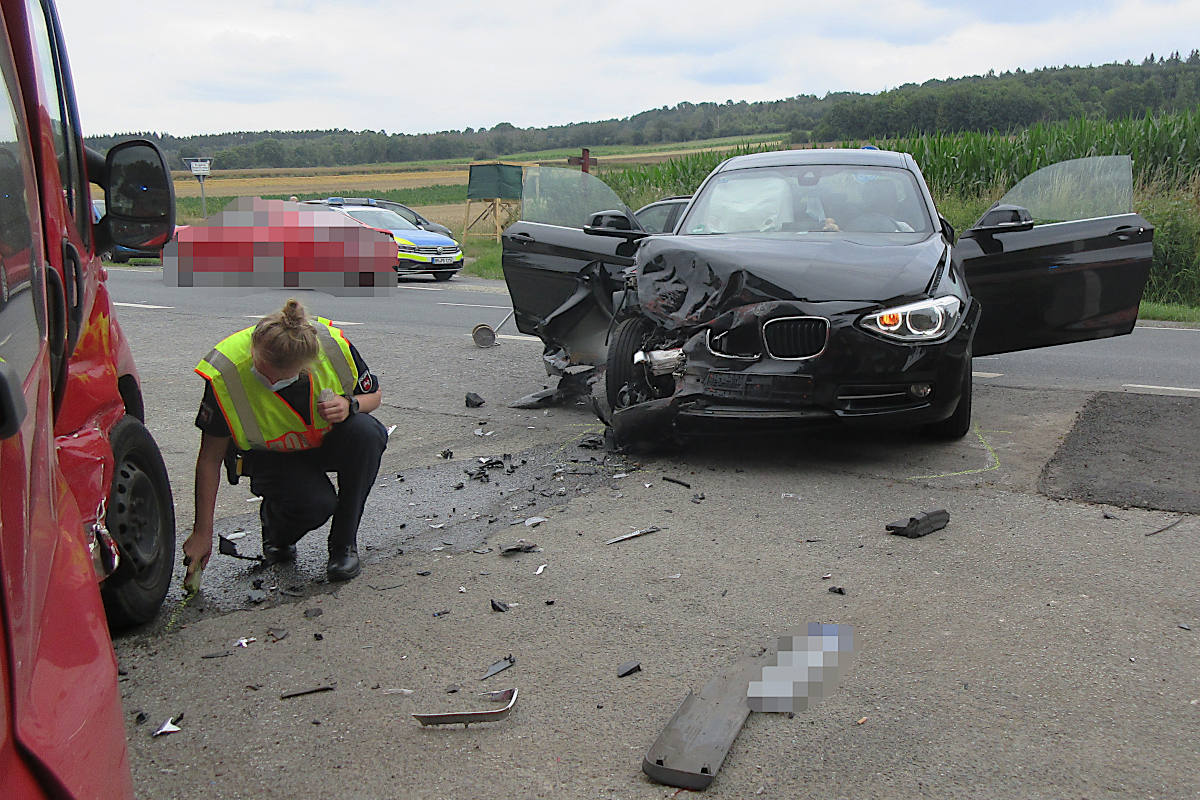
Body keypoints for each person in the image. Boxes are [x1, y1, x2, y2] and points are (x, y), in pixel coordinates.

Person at [182, 299, 387, 584]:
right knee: (318, 504)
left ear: (306, 367)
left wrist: (349, 404)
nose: (268, 379)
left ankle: (343, 545)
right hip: (271, 458)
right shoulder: (226, 372)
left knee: (367, 432)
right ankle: (276, 527)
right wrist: (201, 532)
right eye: (262, 368)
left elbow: (374, 397)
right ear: (254, 347)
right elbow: (209, 459)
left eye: (280, 377)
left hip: (323, 444)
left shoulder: (331, 347)